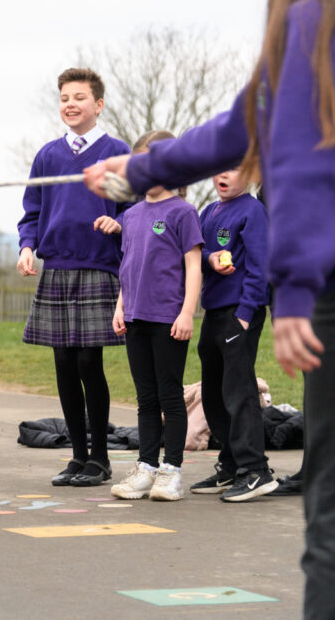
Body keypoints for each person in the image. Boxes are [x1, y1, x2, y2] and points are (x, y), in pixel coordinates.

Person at [82, 0, 334, 611]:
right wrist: (138, 173)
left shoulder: (310, 21)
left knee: (329, 516)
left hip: (320, 286)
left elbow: (306, 167)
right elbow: (236, 128)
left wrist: (299, 291)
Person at [17, 67, 131, 488]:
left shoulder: (116, 152)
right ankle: (79, 457)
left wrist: (119, 226)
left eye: (79, 97)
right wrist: (27, 247)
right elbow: (32, 211)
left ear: (98, 105)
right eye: (65, 97)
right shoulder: (48, 155)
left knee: (88, 361)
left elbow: (132, 209)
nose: (70, 104)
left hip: (99, 268)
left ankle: (101, 459)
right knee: (63, 364)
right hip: (57, 269)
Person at [108, 131, 203, 502]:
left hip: (169, 318)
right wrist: (121, 306)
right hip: (135, 317)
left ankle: (171, 471)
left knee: (169, 396)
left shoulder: (183, 212)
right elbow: (127, 266)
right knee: (145, 398)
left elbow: (194, 266)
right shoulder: (130, 215)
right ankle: (146, 468)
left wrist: (187, 312)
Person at [189, 167, 278, 502]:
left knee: (238, 391)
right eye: (218, 169)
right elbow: (197, 256)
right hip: (213, 313)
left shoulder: (254, 212)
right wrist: (211, 258)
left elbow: (260, 267)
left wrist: (244, 315)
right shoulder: (208, 212)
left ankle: (256, 471)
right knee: (213, 392)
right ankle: (231, 464)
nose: (222, 176)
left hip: (238, 312)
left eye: (233, 169)